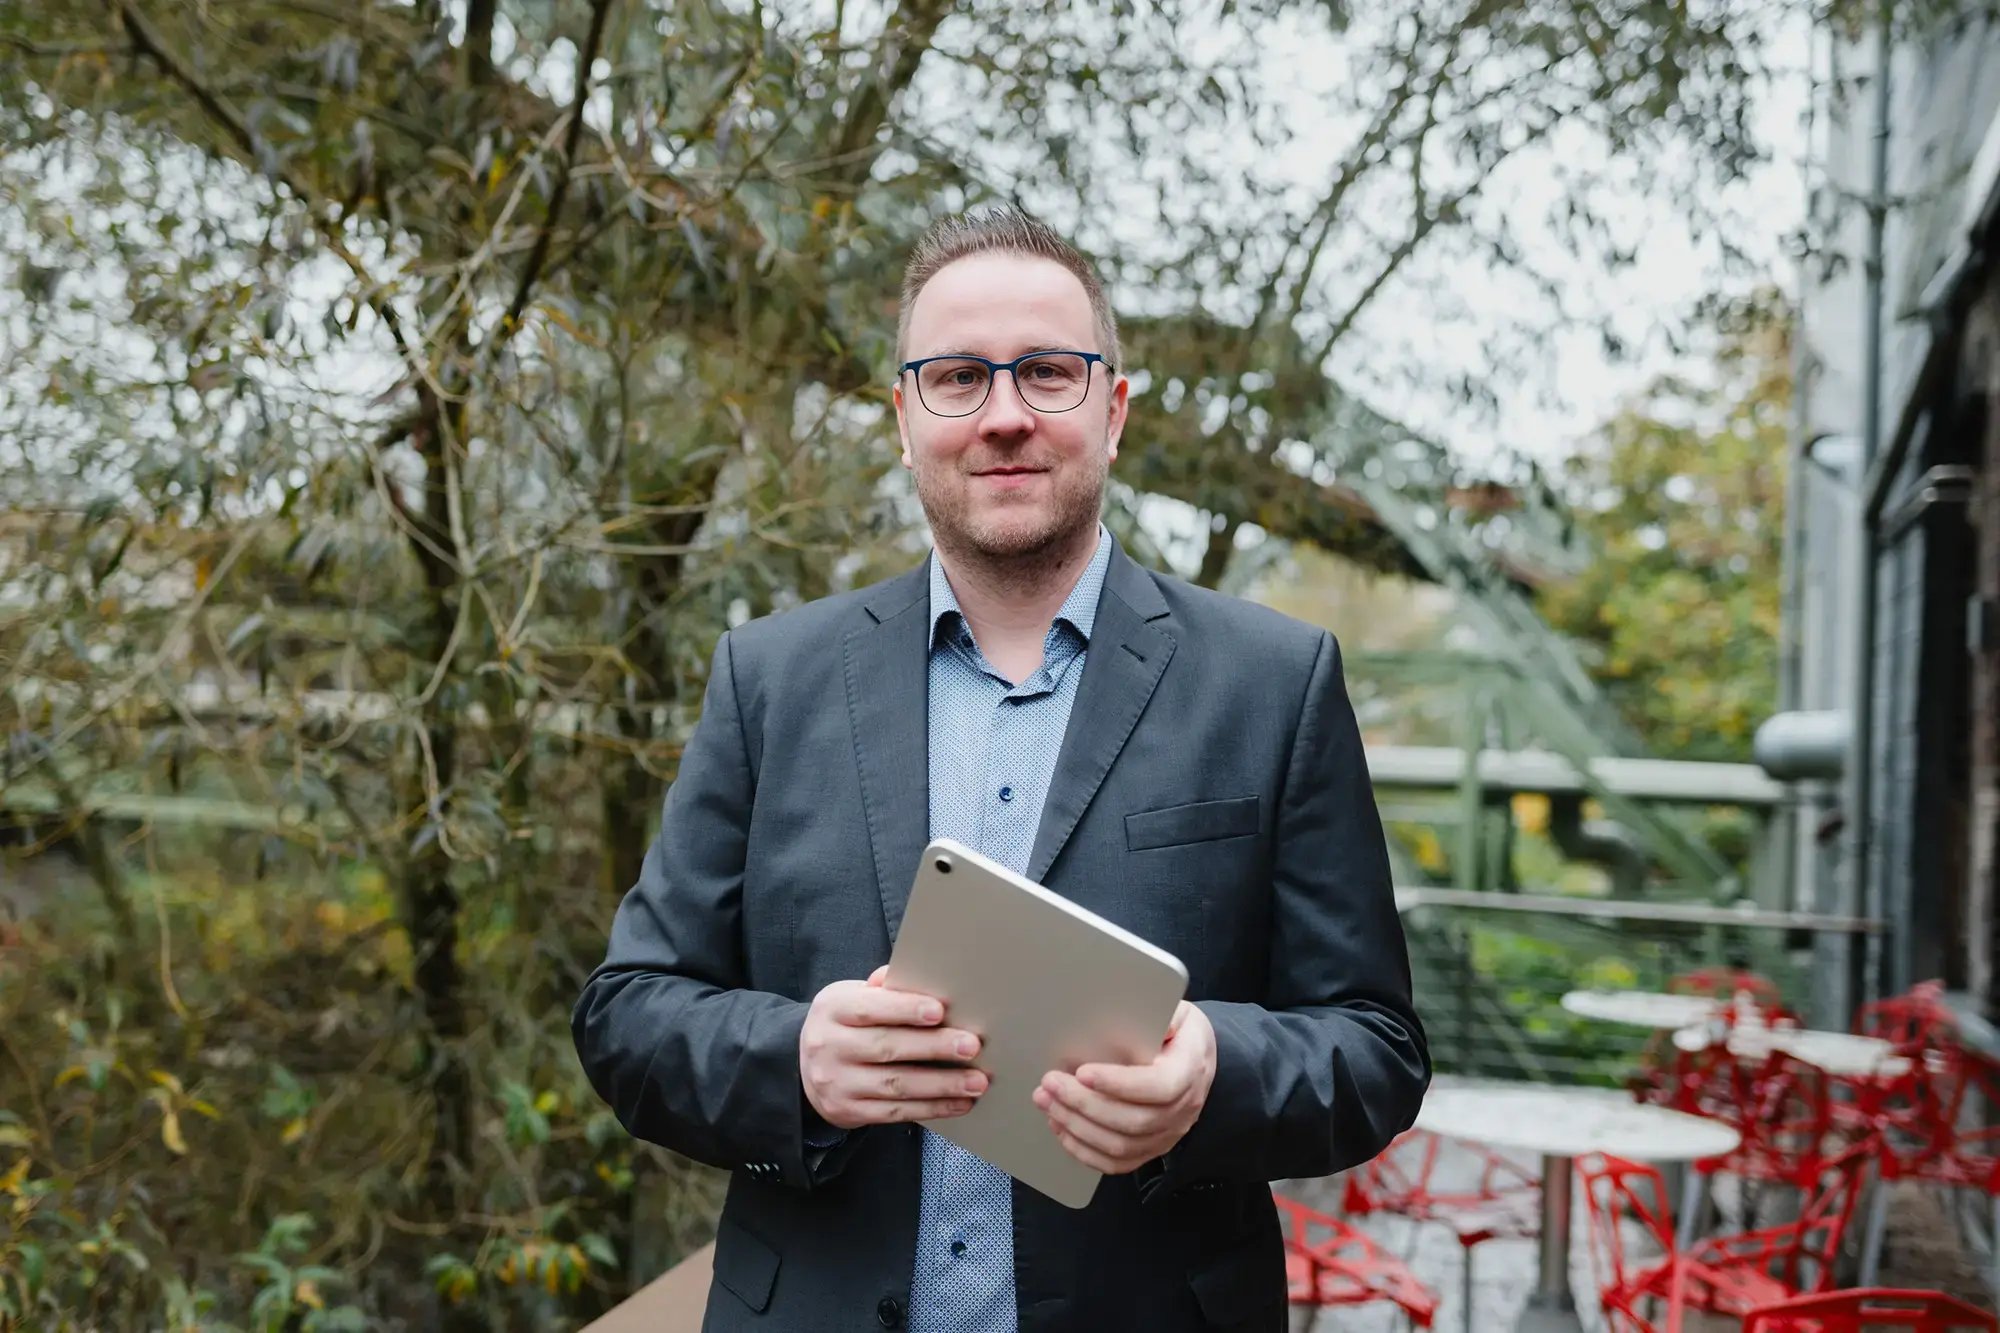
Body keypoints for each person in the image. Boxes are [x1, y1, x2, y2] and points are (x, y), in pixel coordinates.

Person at [572, 206, 1428, 1333]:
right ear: (903, 417)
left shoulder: (1274, 682)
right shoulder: (767, 680)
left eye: (1047, 372)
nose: (1006, 415)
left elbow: (1373, 1046)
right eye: (959, 377)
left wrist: (1213, 1074)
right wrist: (796, 1061)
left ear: (1112, 411)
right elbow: (628, 1016)